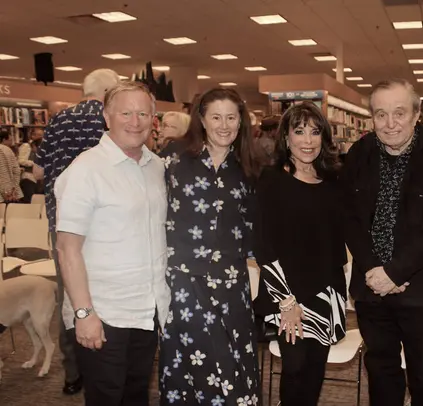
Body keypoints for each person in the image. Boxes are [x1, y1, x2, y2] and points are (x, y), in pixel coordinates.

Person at [341, 79, 423, 406]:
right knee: (381, 373)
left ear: (416, 113)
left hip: (421, 292)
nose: (390, 123)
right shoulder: (359, 154)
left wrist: (395, 273)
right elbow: (349, 218)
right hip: (371, 290)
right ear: (372, 118)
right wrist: (374, 271)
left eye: (399, 113)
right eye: (381, 114)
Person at [55, 81, 170, 406]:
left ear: (153, 118)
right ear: (107, 116)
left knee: (136, 396)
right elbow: (67, 249)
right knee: (106, 398)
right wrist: (84, 313)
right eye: (126, 113)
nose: (135, 121)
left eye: (143, 113)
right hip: (103, 313)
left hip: (146, 310)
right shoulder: (85, 170)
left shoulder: (156, 167)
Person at [159, 87, 260, 405]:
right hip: (183, 282)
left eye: (231, 117)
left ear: (241, 121)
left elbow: (254, 227)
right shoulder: (172, 156)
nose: (224, 124)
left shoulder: (249, 166)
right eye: (216, 116)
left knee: (233, 364)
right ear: (201, 119)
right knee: (187, 365)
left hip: (231, 284)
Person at [253, 103, 347, 406]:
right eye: (299, 131)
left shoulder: (332, 181)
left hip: (326, 291)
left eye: (315, 132)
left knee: (314, 372)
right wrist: (286, 302)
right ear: (286, 138)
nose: (308, 140)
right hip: (288, 295)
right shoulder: (271, 180)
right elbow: (264, 245)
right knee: (294, 369)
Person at [36, 68, 120, 396]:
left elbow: (40, 169)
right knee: (106, 293)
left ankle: (73, 372)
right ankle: (106, 360)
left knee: (70, 295)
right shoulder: (110, 119)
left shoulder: (57, 119)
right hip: (104, 224)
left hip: (63, 224)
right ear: (110, 92)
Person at [18, 127, 44, 202]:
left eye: (42, 135)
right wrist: (34, 163)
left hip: (39, 180)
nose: (40, 137)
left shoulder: (42, 147)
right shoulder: (27, 146)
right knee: (31, 200)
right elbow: (20, 160)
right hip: (28, 178)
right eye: (38, 135)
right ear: (32, 135)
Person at [0, 130, 23, 203]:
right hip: (11, 193)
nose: (11, 142)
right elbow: (16, 171)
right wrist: (13, 188)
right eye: (10, 140)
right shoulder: (7, 150)